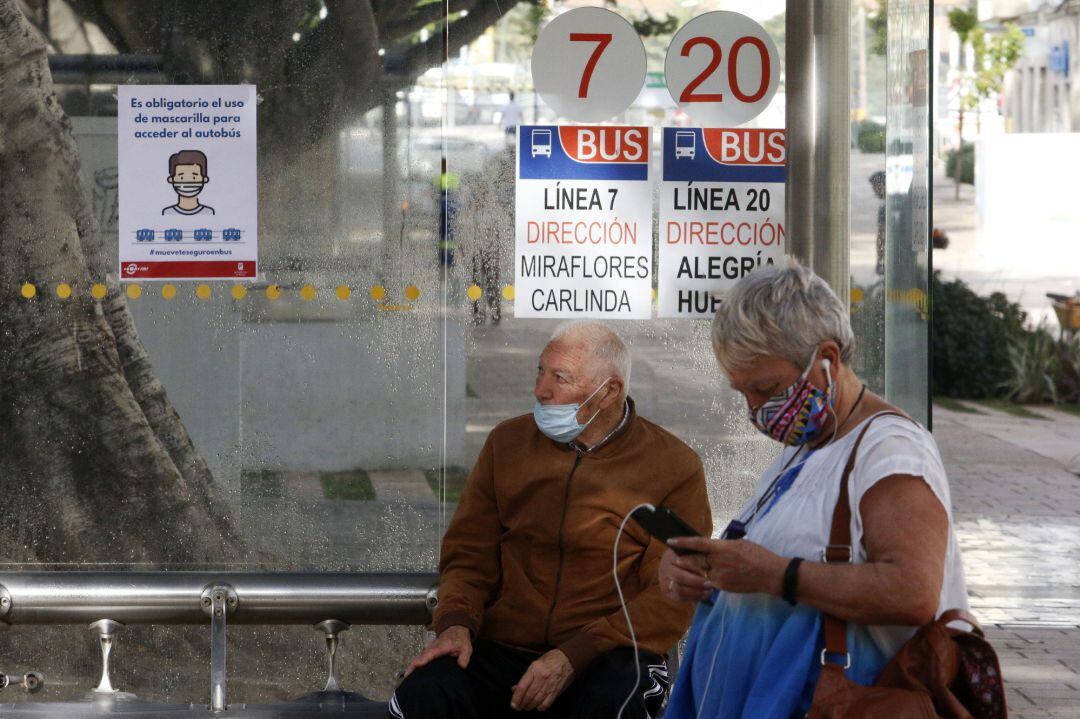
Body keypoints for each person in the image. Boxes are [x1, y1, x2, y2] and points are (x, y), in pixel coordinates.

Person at [659, 261, 969, 719]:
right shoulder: (805, 448)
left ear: (827, 358)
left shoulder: (890, 451)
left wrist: (778, 575)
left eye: (766, 388)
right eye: (743, 393)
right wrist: (700, 571)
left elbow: (914, 592)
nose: (755, 410)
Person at [391, 321, 712, 719]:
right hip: (502, 647)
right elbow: (468, 556)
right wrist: (456, 623)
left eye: (560, 378)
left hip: (606, 653)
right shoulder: (507, 444)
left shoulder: (673, 467)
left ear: (609, 391)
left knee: (616, 699)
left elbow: (672, 595)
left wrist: (573, 655)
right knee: (423, 693)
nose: (540, 390)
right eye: (540, 372)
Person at [162, 149, 215, 216]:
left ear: (204, 179)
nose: (187, 182)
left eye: (194, 177)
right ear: (171, 179)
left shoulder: (208, 212)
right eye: (181, 178)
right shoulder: (168, 213)